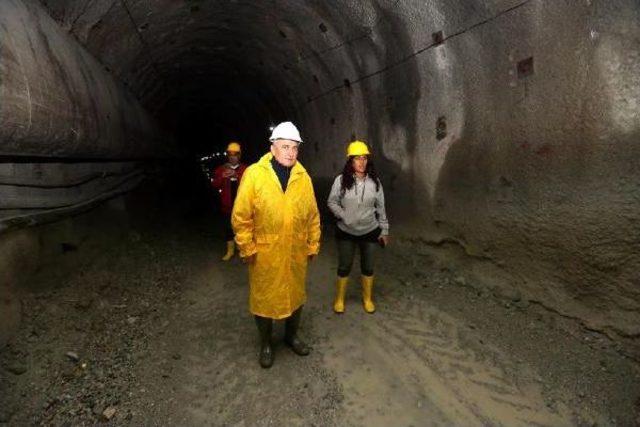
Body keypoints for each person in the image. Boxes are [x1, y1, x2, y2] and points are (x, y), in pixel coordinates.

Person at [232, 122, 321, 368]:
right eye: (285, 147)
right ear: (272, 148)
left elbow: (313, 215)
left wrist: (313, 243)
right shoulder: (255, 174)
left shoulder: (303, 178)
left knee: (296, 295)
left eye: (294, 147)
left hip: (295, 251)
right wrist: (247, 247)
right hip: (265, 253)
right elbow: (241, 216)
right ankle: (266, 343)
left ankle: (291, 337)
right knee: (264, 299)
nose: (290, 152)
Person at [327, 140, 390, 314]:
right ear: (350, 161)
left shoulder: (375, 183)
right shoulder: (341, 181)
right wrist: (343, 215)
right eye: (357, 159)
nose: (361, 162)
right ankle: (339, 299)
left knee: (368, 267)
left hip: (369, 231)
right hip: (346, 231)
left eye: (364, 158)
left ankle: (367, 299)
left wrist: (384, 230)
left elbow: (381, 208)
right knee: (344, 266)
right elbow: (332, 201)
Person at [211, 142, 247, 261]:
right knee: (228, 228)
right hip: (227, 206)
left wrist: (237, 175)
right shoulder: (221, 169)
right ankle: (230, 251)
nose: (233, 156)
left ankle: (243, 251)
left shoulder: (245, 169)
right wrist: (222, 176)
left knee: (243, 229)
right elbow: (215, 184)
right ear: (228, 155)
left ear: (239, 155)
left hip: (242, 206)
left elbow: (251, 185)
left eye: (235, 154)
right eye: (230, 154)